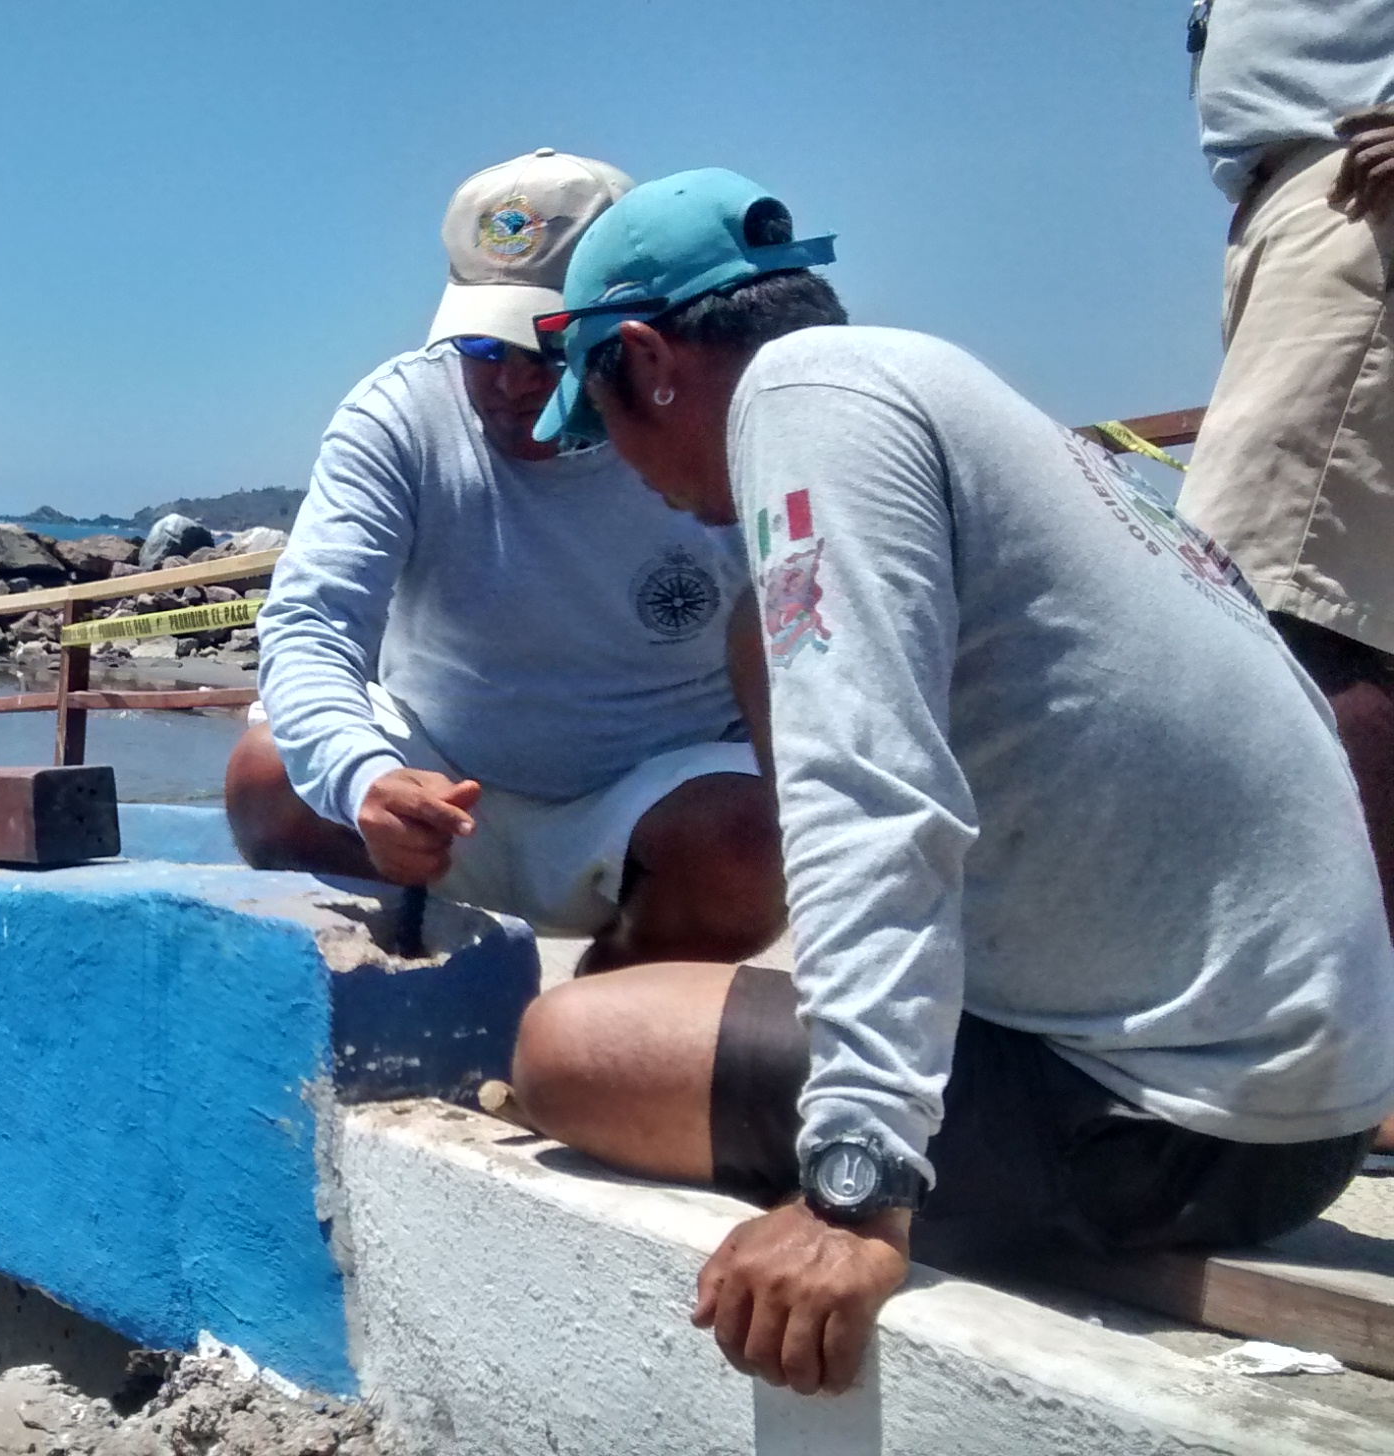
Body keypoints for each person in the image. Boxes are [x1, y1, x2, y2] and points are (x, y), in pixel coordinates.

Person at [508, 168, 1394, 1397]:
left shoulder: (798, 407)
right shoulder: (935, 386)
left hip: (1177, 1132)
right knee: (758, 639)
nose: (625, 472)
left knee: (565, 1048)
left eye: (602, 422)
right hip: (1311, 1095)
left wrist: (858, 1183)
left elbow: (868, 778)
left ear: (650, 359)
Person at [233, 148, 784, 972]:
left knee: (755, 843)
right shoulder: (399, 414)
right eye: (483, 349)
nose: (513, 384)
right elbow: (311, 623)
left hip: (650, 807)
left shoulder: (710, 423)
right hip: (443, 783)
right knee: (266, 776)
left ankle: (602, 1014)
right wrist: (366, 778)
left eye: (550, 351)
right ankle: (412, 966)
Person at [1186, 2, 1394, 936]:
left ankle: (1356, 1008)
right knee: (1311, 603)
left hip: (1353, 203)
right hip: (1300, 208)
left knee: (1291, 610)